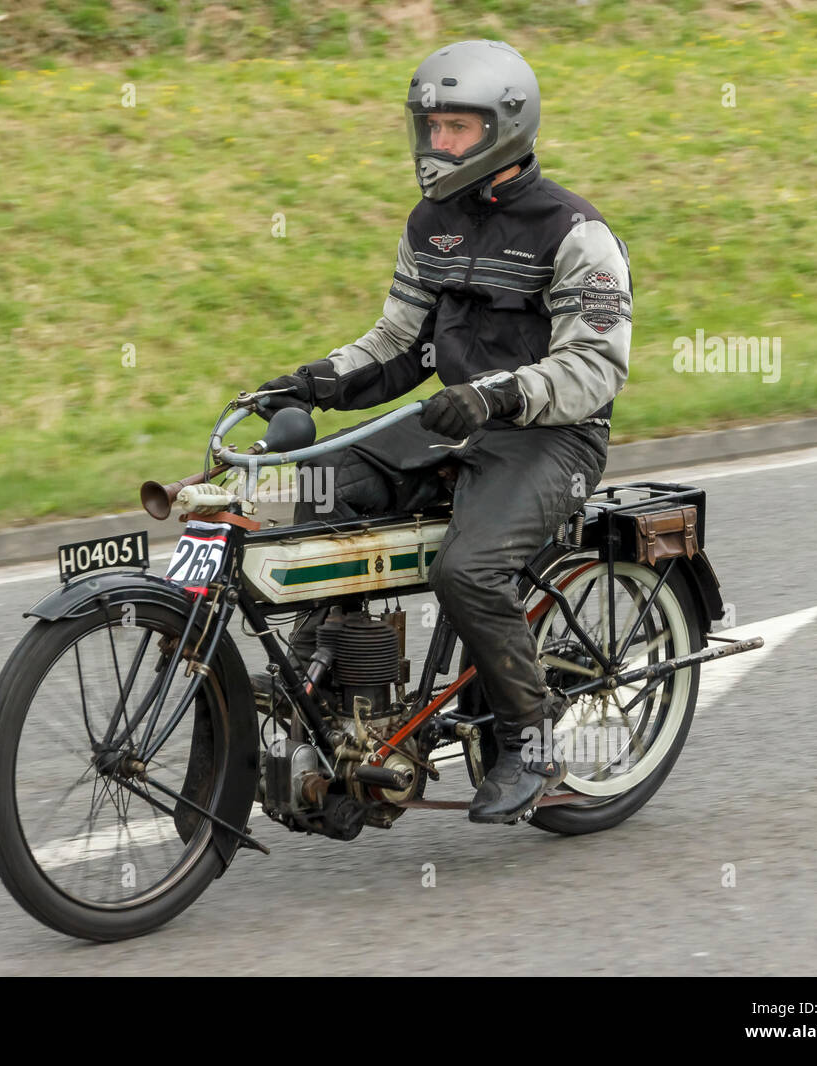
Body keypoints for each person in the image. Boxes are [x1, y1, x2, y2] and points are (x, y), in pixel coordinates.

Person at [251, 39, 633, 823]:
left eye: (456, 128)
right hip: (454, 425)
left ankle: (530, 739)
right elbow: (395, 344)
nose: (436, 145)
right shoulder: (432, 224)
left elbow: (596, 369)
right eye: (429, 127)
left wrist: (497, 396)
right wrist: (316, 379)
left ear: (505, 127)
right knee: (312, 492)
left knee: (467, 570)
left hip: (552, 436)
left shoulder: (574, 232)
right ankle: (330, 686)